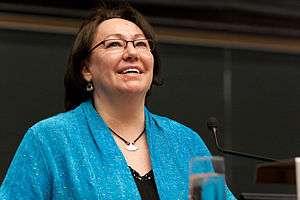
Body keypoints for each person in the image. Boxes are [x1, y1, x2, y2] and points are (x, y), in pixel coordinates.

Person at [0, 3, 236, 200]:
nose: (132, 53)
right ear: (86, 69)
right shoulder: (48, 139)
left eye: (141, 44)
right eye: (114, 44)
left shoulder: (187, 142)